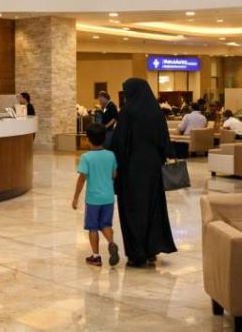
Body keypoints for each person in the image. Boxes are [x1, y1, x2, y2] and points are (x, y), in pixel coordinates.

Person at [108, 78, 178, 267]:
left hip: (132, 169)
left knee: (132, 209)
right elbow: (165, 140)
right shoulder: (156, 112)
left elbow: (119, 142)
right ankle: (151, 250)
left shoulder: (128, 112)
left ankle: (136, 254)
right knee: (152, 208)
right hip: (153, 168)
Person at [71, 123, 120, 267]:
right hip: (108, 198)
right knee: (105, 224)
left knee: (93, 227)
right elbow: (114, 174)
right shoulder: (111, 155)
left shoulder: (86, 157)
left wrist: (75, 197)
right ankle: (111, 243)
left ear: (88, 139)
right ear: (104, 138)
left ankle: (96, 256)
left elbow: (82, 179)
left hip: (93, 199)